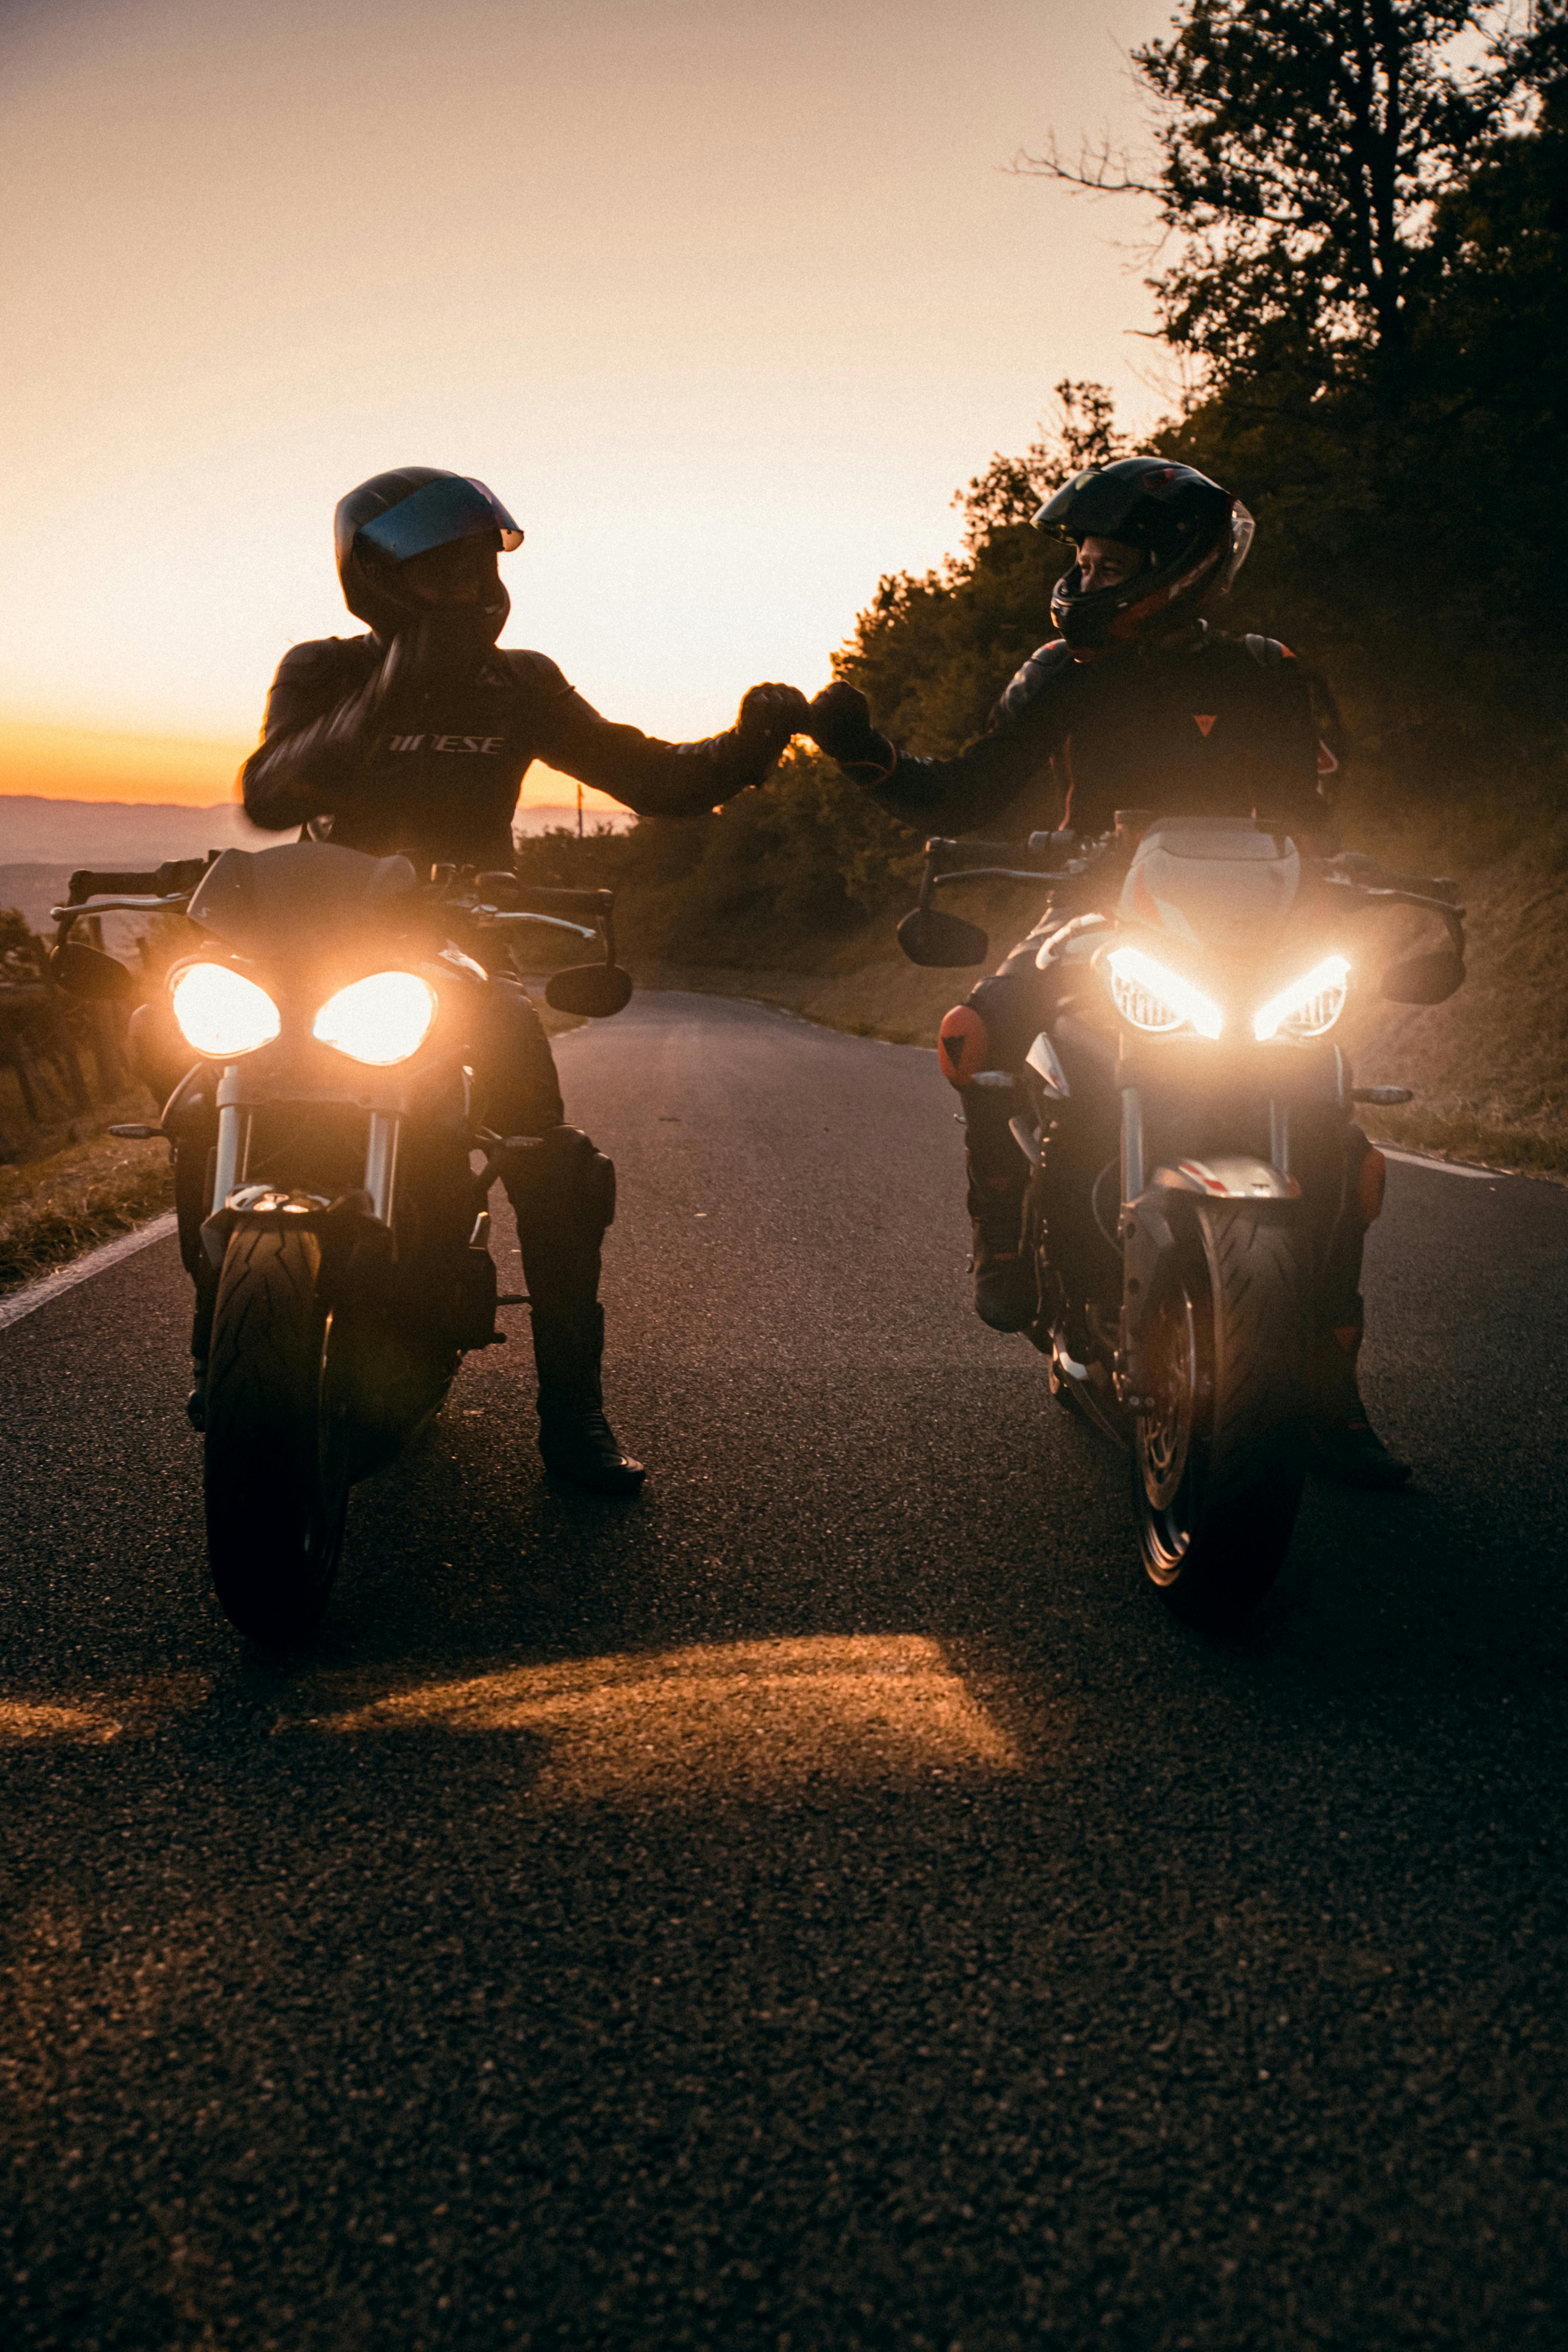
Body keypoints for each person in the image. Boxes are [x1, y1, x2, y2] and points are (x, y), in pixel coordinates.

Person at [172, 465, 804, 1493]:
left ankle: (574, 1423)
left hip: (460, 951)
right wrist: (394, 684)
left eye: (479, 559)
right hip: (323, 944)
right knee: (203, 1097)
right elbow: (274, 792)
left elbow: (650, 776)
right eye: (443, 563)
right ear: (382, 578)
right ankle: (225, 1346)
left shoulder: (522, 685)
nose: (470, 580)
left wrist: (751, 742)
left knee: (549, 1159)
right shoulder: (324, 669)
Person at [799, 455, 1407, 1489]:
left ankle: (1330, 1382)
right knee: (972, 1034)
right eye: (1081, 556)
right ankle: (1003, 1239)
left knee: (1338, 1130)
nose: (1084, 577)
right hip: (1092, 912)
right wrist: (866, 757)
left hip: (1258, 931)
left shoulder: (1268, 669)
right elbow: (968, 793)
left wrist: (1362, 885)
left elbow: (1313, 820)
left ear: (1178, 567)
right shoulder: (1061, 672)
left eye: (1107, 557)